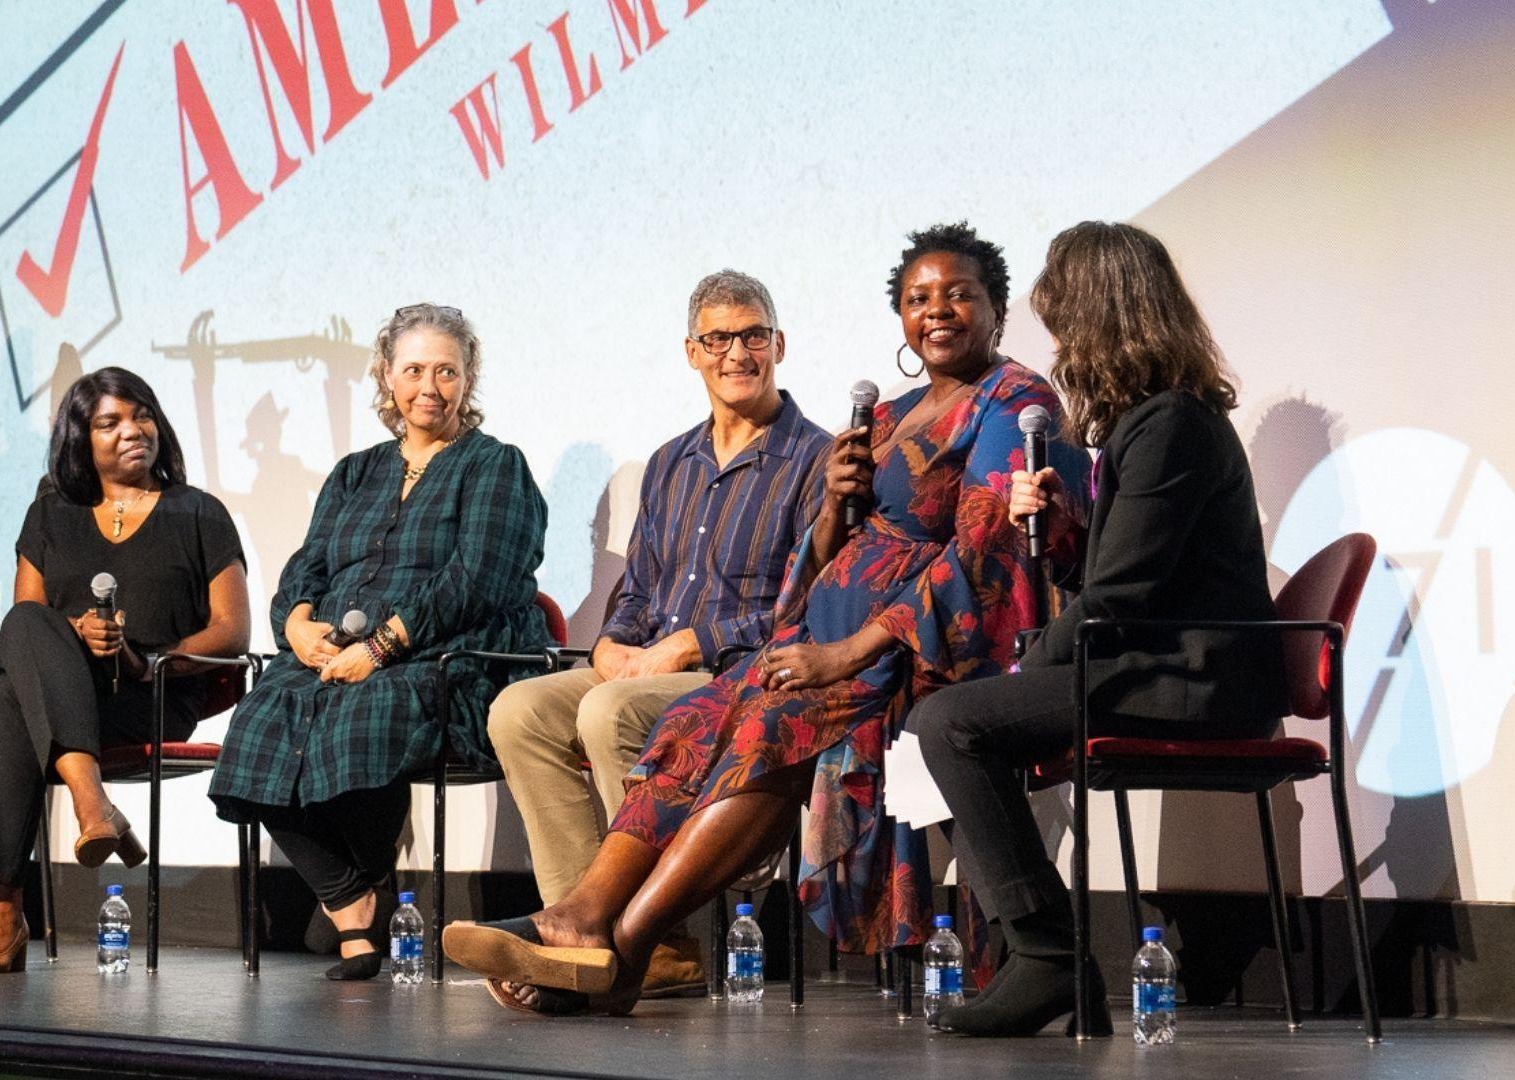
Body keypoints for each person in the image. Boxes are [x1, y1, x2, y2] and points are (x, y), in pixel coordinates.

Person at [445, 223, 1091, 1015]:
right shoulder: (889, 416)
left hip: (925, 652)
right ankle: (581, 916)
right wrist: (835, 509)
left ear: (995, 306)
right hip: (824, 641)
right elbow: (830, 554)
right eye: (918, 298)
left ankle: (630, 946)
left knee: (767, 729)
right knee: (695, 719)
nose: (938, 311)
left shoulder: (1014, 398)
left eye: (959, 294)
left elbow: (982, 552)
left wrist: (847, 653)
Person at [909, 221, 1288, 1037]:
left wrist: (1031, 666)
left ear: (1103, 316)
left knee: (951, 722)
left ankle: (1046, 955)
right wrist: (1066, 533)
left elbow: (1121, 598)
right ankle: (1044, 954)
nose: (1059, 345)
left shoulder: (1172, 425)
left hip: (1194, 678)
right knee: (950, 717)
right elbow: (1122, 582)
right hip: (1163, 662)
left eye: (1064, 322)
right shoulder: (1153, 423)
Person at [485, 269, 830, 996]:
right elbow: (639, 587)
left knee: (610, 711)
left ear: (779, 345)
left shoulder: (816, 459)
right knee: (520, 709)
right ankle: (574, 932)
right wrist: (612, 641)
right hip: (653, 663)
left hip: (741, 673)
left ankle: (657, 941)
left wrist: (693, 643)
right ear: (692, 352)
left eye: (753, 336)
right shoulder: (672, 460)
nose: (736, 353)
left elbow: (808, 604)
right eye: (718, 339)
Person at [208, 303, 550, 981]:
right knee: (256, 726)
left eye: (446, 371)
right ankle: (350, 895)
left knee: (371, 710)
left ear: (468, 378)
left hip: (445, 654)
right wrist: (296, 625)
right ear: (387, 377)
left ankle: (354, 919)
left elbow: (477, 580)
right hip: (341, 649)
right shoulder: (353, 473)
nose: (430, 387)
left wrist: (383, 647)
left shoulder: (495, 466)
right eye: (414, 370)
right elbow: (307, 567)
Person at [0, 367, 249, 974]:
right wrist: (78, 634)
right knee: (22, 639)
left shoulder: (198, 512)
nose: (133, 430)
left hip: (149, 696)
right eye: (110, 422)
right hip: (67, 692)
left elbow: (232, 630)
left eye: (142, 415)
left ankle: (4, 909)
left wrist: (145, 660)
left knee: (7, 704)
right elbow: (28, 623)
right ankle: (95, 804)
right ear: (80, 440)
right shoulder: (51, 514)